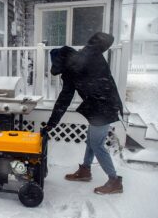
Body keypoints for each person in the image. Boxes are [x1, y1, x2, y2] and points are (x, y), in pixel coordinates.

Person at [43, 32, 123, 194]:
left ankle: (114, 181)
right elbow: (63, 99)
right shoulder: (73, 70)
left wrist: (95, 40)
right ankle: (85, 170)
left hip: (104, 107)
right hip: (98, 107)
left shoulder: (88, 55)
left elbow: (101, 41)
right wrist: (52, 123)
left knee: (97, 144)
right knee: (91, 141)